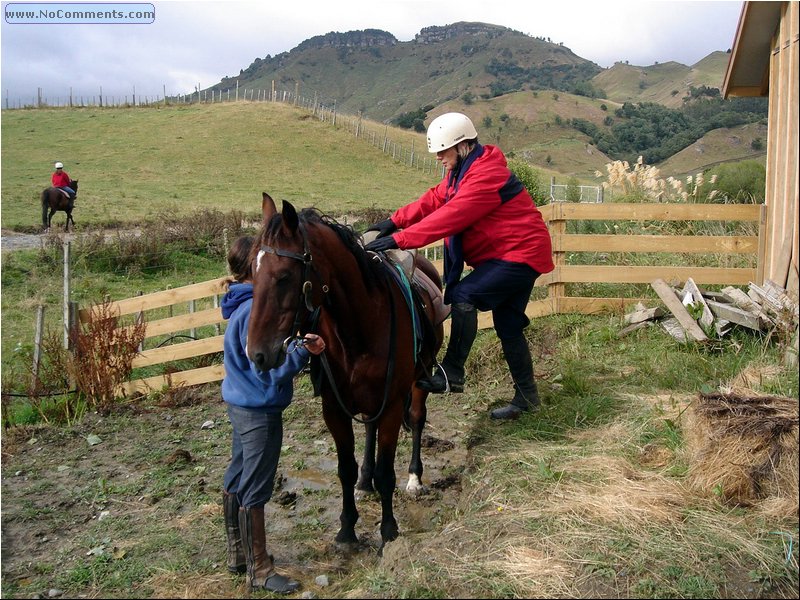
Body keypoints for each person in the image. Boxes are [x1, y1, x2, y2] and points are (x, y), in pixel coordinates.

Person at [364, 112, 554, 420]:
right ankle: (527, 398)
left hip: (520, 254)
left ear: (462, 146)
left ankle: (452, 371)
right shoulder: (461, 173)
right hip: (507, 255)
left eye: (443, 151)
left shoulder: (485, 176)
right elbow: (434, 200)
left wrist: (401, 239)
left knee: (465, 294)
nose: (439, 157)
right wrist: (393, 221)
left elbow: (452, 216)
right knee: (508, 326)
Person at [220, 235, 325, 594]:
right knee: (256, 486)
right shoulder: (254, 311)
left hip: (239, 403)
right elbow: (270, 369)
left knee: (237, 477)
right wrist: (304, 353)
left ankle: (238, 553)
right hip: (259, 411)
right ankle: (260, 569)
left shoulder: (237, 305)